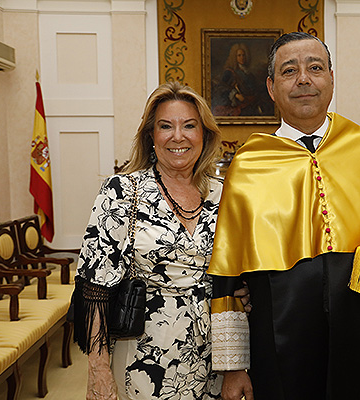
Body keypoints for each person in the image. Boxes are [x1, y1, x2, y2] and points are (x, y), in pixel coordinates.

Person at [207, 32, 360, 400]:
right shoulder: (248, 165)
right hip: (276, 353)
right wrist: (233, 367)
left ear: (332, 79)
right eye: (289, 71)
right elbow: (226, 281)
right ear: (272, 88)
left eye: (315, 67)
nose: (304, 78)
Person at [71, 82, 228, 400]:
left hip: (214, 357)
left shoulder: (224, 193)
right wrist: (98, 370)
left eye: (189, 126)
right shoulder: (122, 191)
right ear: (151, 136)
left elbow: (238, 279)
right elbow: (95, 288)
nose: (178, 136)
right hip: (144, 358)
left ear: (205, 134)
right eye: (165, 126)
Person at [212, 43, 264, 116]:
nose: (242, 57)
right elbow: (221, 88)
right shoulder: (229, 72)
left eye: (243, 55)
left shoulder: (249, 73)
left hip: (251, 106)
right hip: (238, 108)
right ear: (234, 57)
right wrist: (236, 95)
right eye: (239, 55)